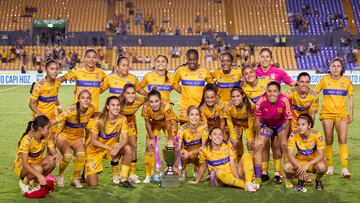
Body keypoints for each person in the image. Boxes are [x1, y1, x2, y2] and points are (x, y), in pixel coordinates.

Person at [315, 58, 354, 178]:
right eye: (333, 66)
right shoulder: (324, 80)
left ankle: (344, 169)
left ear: (341, 68)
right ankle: (330, 167)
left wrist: (351, 113)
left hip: (342, 114)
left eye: (338, 66)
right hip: (327, 114)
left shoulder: (346, 81)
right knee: (329, 140)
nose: (336, 68)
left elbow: (351, 97)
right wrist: (313, 105)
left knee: (343, 140)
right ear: (330, 67)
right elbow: (315, 93)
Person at [188, 127, 258, 192]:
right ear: (210, 137)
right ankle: (245, 185)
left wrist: (237, 178)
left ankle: (248, 183)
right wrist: (196, 181)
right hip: (219, 180)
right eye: (215, 134)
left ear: (222, 136)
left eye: (220, 134)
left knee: (246, 155)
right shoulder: (205, 150)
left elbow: (233, 164)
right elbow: (202, 167)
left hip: (232, 175)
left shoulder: (228, 146)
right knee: (219, 172)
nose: (218, 137)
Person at [86, 96, 133, 188]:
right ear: (108, 106)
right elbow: (93, 141)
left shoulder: (122, 119)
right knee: (93, 185)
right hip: (94, 151)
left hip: (111, 149)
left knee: (128, 148)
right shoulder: (99, 120)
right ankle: (86, 171)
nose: (116, 107)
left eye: (118, 105)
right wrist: (109, 148)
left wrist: (118, 146)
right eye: (113, 105)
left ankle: (123, 179)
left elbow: (125, 139)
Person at [253, 81, 293, 185]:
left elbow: (288, 119)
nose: (271, 93)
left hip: (281, 124)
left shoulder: (285, 100)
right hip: (267, 124)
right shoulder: (261, 100)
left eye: (274, 91)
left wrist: (284, 137)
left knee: (284, 146)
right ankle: (257, 177)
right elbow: (256, 119)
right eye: (269, 91)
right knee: (258, 145)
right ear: (266, 91)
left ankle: (287, 178)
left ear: (279, 92)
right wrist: (258, 135)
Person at [54, 90, 95, 188]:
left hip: (77, 138)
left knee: (82, 155)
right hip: (63, 137)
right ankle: (60, 175)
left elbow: (89, 124)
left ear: (91, 100)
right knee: (68, 155)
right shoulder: (71, 110)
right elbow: (56, 120)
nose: (86, 100)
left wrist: (85, 138)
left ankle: (75, 179)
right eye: (83, 98)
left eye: (88, 98)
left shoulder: (91, 109)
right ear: (78, 100)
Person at [242, 64, 272, 180]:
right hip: (252, 121)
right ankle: (255, 171)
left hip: (267, 119)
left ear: (255, 72)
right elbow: (248, 109)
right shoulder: (244, 89)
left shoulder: (266, 81)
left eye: (251, 72)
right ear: (243, 77)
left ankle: (264, 171)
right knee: (252, 145)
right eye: (246, 74)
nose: (249, 75)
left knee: (264, 145)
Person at [141, 89, 178, 183]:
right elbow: (147, 123)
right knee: (149, 145)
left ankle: (174, 170)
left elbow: (168, 124)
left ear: (160, 100)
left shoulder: (166, 107)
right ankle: (148, 175)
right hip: (154, 123)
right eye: (151, 102)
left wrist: (170, 139)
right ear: (148, 102)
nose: (154, 104)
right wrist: (151, 137)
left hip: (169, 123)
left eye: (156, 101)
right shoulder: (145, 108)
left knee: (173, 145)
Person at [14, 115, 57, 196]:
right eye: (48, 128)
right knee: (38, 169)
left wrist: (55, 155)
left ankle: (38, 183)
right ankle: (24, 183)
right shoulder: (27, 140)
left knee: (51, 161)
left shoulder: (46, 135)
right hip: (22, 168)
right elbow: (25, 164)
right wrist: (40, 176)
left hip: (36, 163)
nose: (49, 130)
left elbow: (53, 150)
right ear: (40, 129)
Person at [283, 114, 326, 192]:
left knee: (322, 167)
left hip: (313, 163)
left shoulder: (317, 134)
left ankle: (318, 180)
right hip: (300, 162)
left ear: (309, 125)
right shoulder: (294, 134)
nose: (300, 127)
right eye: (298, 124)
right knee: (286, 167)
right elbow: (289, 154)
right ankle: (301, 179)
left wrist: (308, 164)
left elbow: (321, 155)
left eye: (303, 124)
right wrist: (300, 167)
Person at [58, 48, 106, 112]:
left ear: (97, 59)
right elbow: (59, 80)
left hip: (93, 111)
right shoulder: (77, 71)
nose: (91, 60)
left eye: (94, 57)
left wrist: (98, 91)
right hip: (78, 110)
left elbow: (109, 82)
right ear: (84, 59)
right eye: (88, 57)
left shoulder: (101, 73)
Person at [173, 49, 213, 124]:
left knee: (200, 132)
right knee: (184, 131)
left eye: (194, 60)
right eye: (190, 60)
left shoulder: (204, 71)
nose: (192, 62)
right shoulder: (181, 70)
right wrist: (183, 91)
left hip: (200, 107)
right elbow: (174, 83)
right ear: (187, 59)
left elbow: (211, 86)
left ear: (198, 58)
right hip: (184, 108)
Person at [119, 83, 146, 184]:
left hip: (129, 124)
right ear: (124, 94)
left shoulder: (139, 100)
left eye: (133, 93)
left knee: (133, 146)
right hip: (117, 126)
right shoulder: (118, 102)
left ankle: (132, 174)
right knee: (118, 147)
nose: (131, 95)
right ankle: (116, 174)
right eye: (128, 93)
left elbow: (150, 97)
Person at [29, 59, 62, 142]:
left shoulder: (58, 83)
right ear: (46, 69)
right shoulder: (39, 85)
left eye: (56, 69)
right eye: (52, 69)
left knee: (52, 144)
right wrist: (42, 116)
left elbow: (55, 95)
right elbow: (31, 104)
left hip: (52, 118)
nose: (55, 71)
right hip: (40, 119)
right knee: (37, 144)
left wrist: (59, 106)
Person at [177, 106, 208, 180]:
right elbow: (177, 143)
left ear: (199, 116)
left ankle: (200, 172)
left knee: (204, 152)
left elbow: (203, 147)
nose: (194, 117)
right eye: (192, 115)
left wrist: (190, 154)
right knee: (181, 152)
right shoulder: (182, 128)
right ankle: (183, 173)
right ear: (187, 116)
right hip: (186, 156)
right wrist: (181, 152)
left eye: (197, 115)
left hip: (198, 154)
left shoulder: (204, 127)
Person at [223, 87, 252, 159]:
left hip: (248, 125)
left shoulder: (250, 105)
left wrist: (250, 138)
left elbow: (251, 123)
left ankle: (252, 165)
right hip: (236, 125)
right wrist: (233, 137)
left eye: (238, 96)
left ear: (243, 96)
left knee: (250, 144)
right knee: (235, 143)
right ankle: (238, 163)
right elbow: (229, 123)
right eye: (233, 96)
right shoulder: (228, 107)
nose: (235, 98)